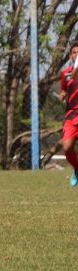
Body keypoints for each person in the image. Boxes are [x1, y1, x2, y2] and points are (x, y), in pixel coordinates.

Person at [58, 43, 78, 186]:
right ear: (70, 55)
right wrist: (63, 94)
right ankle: (77, 169)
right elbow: (64, 90)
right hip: (71, 115)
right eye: (74, 52)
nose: (76, 54)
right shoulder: (65, 73)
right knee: (67, 147)